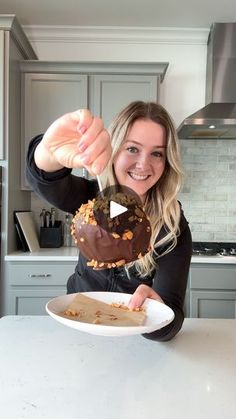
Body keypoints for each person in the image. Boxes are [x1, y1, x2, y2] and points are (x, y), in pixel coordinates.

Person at [26, 101, 192, 341]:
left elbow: (172, 318)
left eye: (157, 153)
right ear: (114, 150)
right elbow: (47, 181)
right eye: (133, 149)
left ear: (167, 163)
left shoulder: (172, 226)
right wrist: (48, 152)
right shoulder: (92, 199)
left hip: (132, 340)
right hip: (77, 324)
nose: (144, 164)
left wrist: (160, 317)